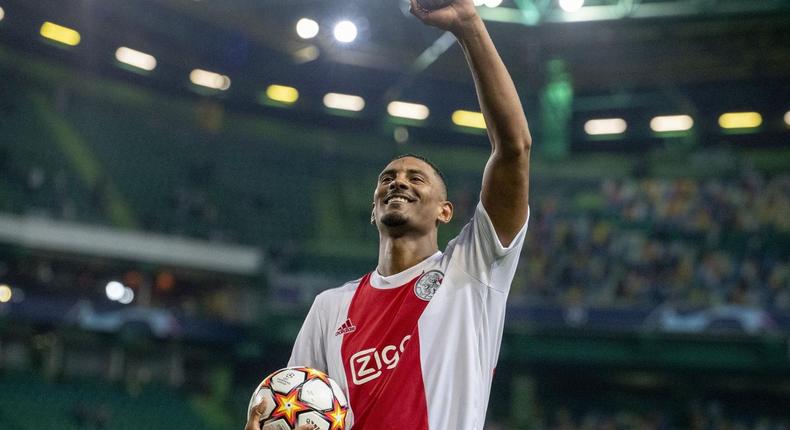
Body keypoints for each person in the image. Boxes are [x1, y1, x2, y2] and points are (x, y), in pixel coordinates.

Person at [247, 0, 531, 428]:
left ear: (445, 211)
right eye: (388, 177)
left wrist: (468, 24)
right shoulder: (330, 308)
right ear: (373, 209)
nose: (398, 181)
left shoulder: (473, 270)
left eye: (417, 179)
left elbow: (514, 148)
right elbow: (298, 416)